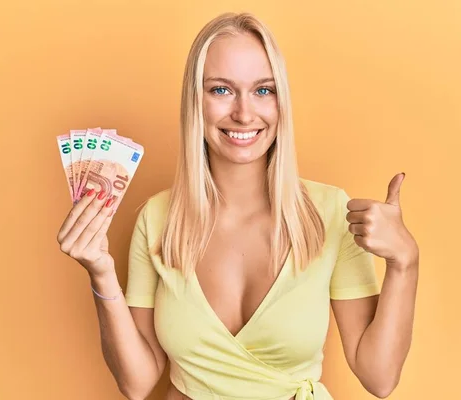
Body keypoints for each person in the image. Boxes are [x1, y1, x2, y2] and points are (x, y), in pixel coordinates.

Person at [57, 12, 419, 400]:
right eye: (221, 90)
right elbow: (138, 383)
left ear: (282, 101)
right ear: (195, 101)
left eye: (263, 90)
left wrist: (405, 262)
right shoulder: (157, 219)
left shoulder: (331, 213)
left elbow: (379, 378)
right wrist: (101, 274)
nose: (244, 113)